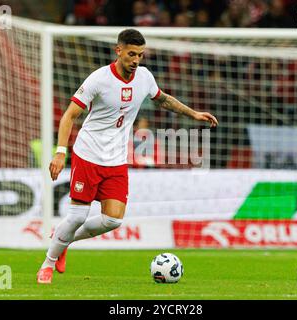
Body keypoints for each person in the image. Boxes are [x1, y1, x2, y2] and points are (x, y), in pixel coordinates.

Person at [36, 29, 218, 284]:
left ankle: (64, 240)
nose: (136, 60)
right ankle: (48, 263)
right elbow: (69, 116)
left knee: (112, 220)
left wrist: (194, 114)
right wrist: (59, 152)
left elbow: (163, 99)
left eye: (140, 55)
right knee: (77, 216)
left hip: (116, 159)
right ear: (118, 51)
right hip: (88, 155)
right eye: (131, 54)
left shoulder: (144, 77)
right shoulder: (98, 79)